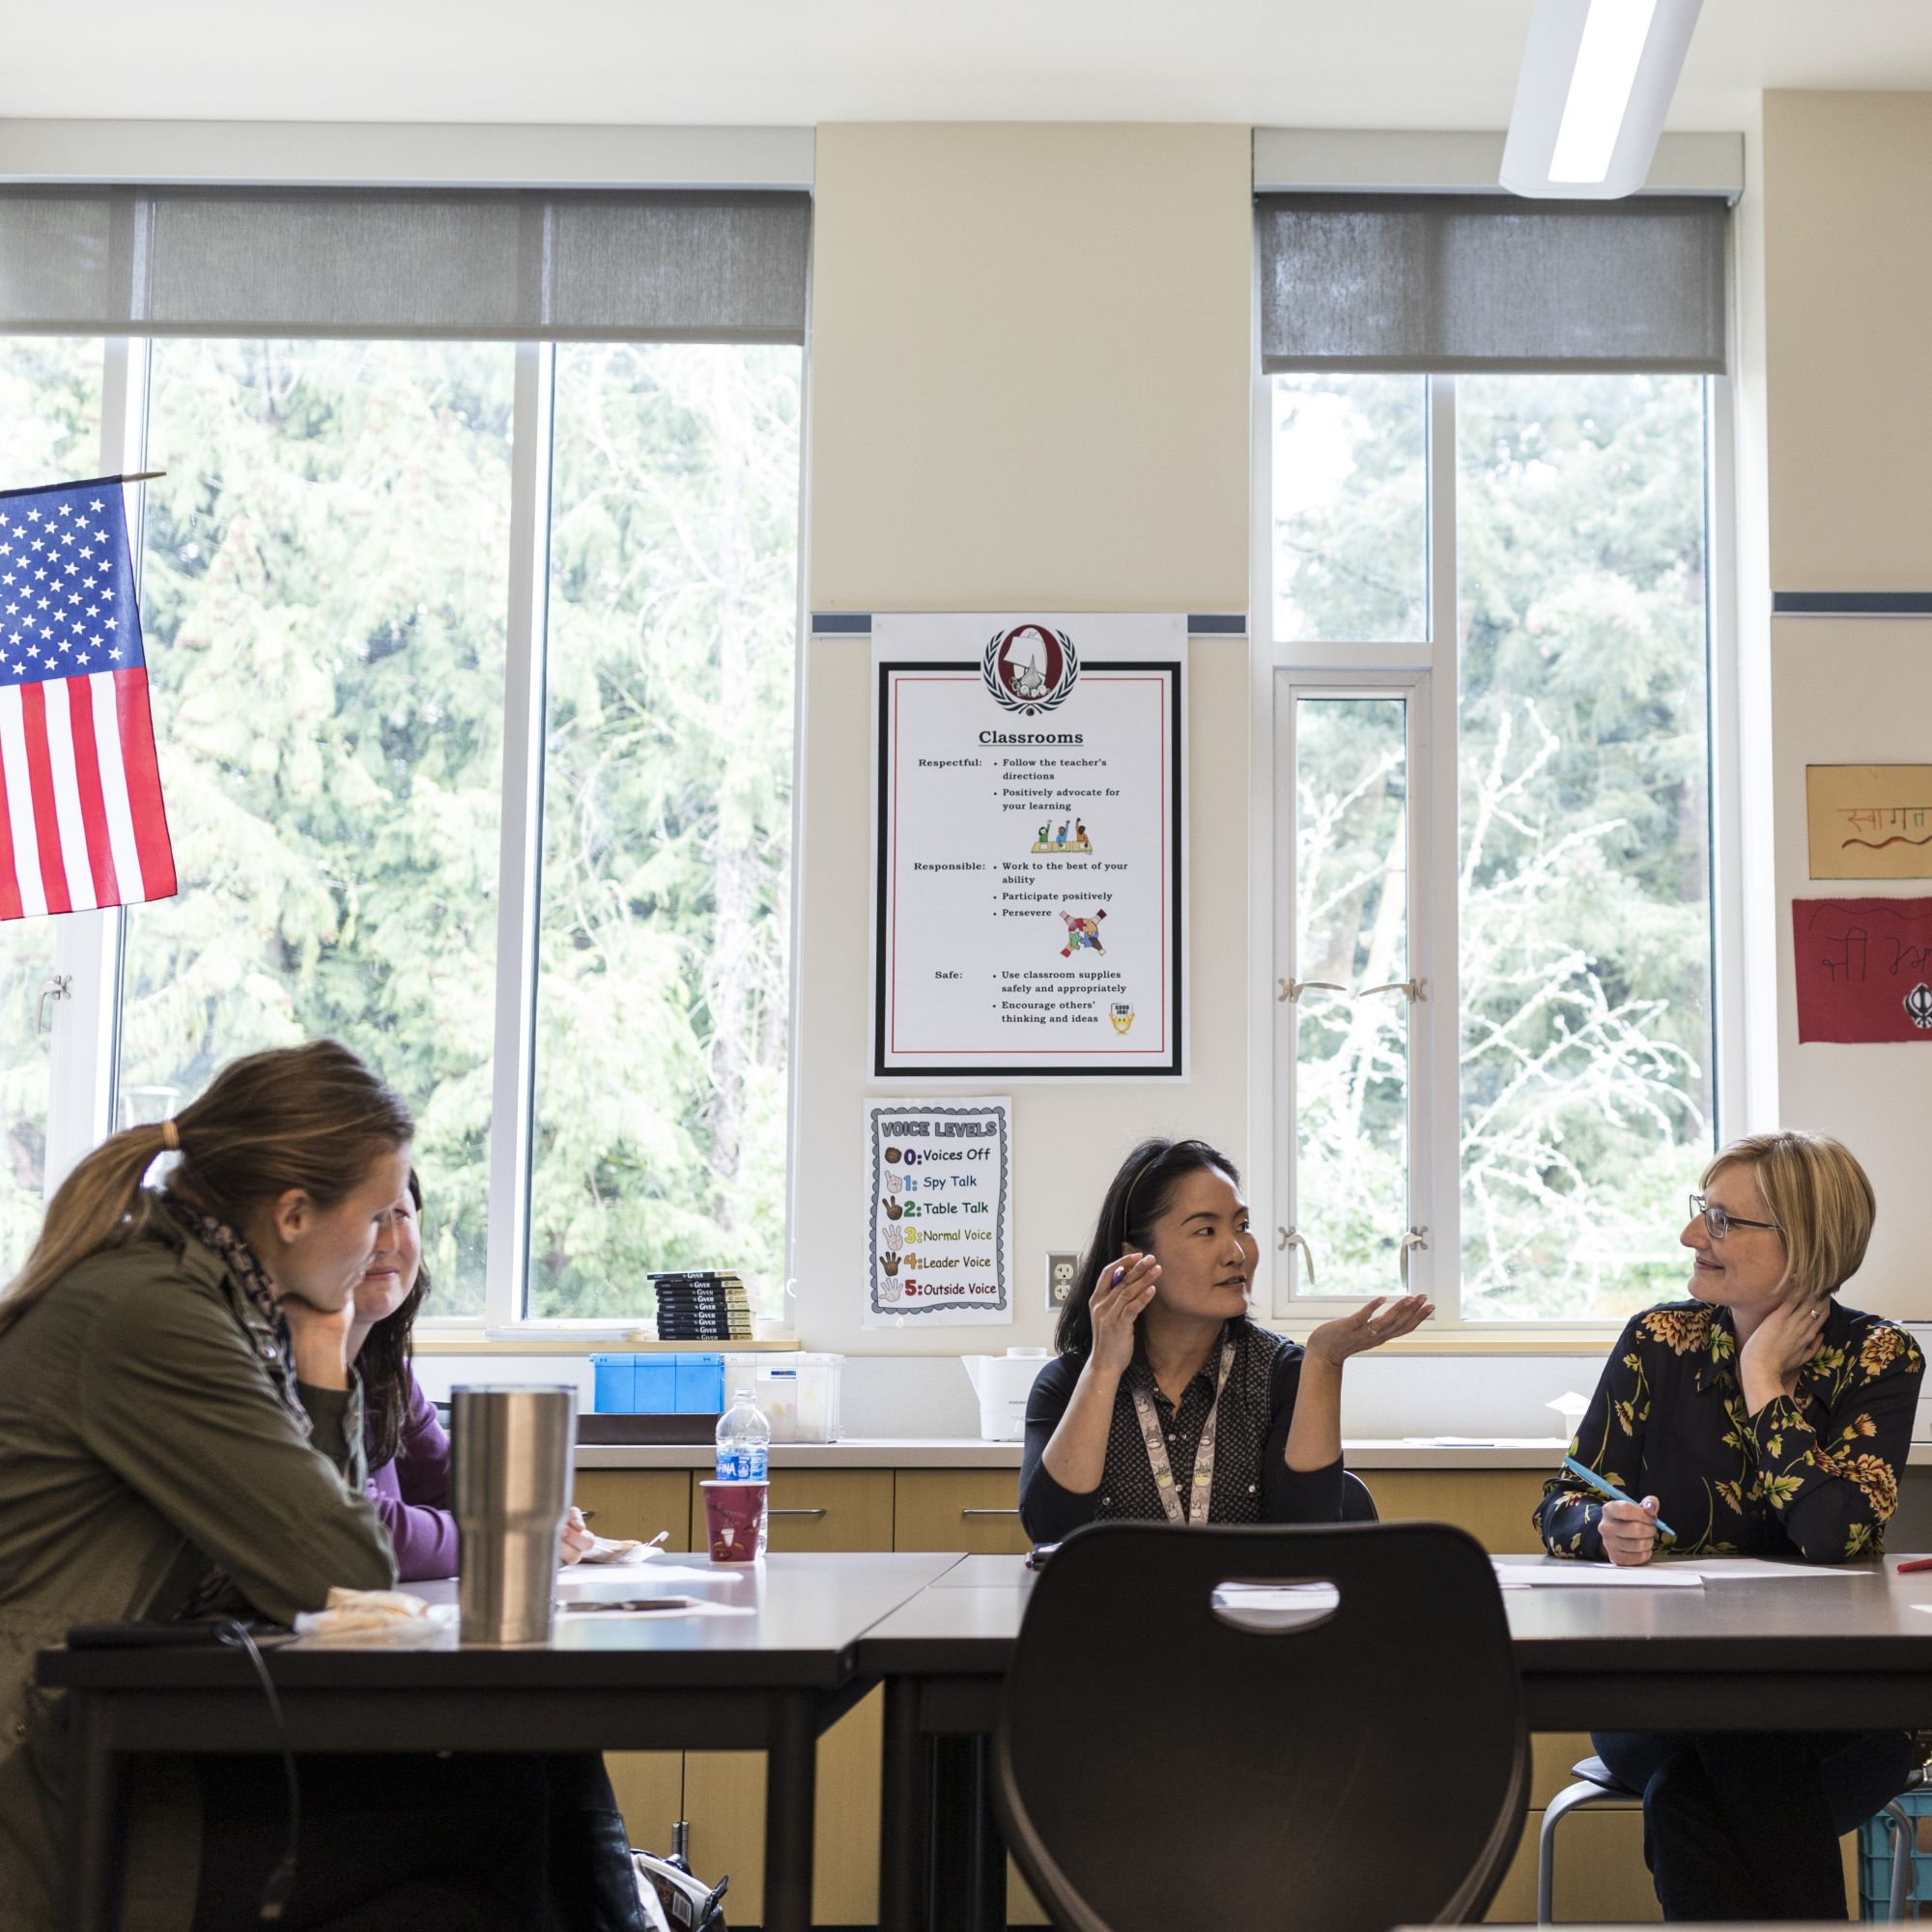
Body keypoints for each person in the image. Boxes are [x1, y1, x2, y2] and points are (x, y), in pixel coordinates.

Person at [0, 1040, 632, 1932]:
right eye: (378, 1218)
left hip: (123, 1728)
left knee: (529, 1763)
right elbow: (341, 1568)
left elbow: (321, 1550)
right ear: (294, 1213)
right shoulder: (157, 1316)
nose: (389, 1245)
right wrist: (323, 1363)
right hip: (56, 1776)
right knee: (495, 1818)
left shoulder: (202, 1292)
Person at [1534, 1130, 1924, 1921]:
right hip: (1659, 1692)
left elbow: (1834, 1535)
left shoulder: (1880, 1356)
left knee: (1693, 1793)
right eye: (1700, 1213)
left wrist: (1760, 1380)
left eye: (1719, 1220)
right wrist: (1602, 1530)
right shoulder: (1657, 1342)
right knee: (1738, 1737)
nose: (1690, 1238)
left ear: (1803, 1243)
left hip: (1837, 1705)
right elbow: (1558, 1505)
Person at [1019, 1136, 1432, 1542]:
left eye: (1242, 1226)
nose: (1236, 1251)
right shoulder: (1069, 1382)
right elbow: (1052, 1532)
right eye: (1205, 1230)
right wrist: (1105, 1367)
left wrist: (1324, 1361)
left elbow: (1307, 1538)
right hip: (1121, 1607)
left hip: (1249, 1608)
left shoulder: (1283, 1372)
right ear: (1135, 1258)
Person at [350, 1171, 593, 1582]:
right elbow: (366, 1533)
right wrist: (514, 1538)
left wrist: (529, 1516)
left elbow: (461, 1493)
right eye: (365, 1218)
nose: (387, 1240)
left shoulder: (384, 1366)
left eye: (399, 1214)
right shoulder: (275, 1365)